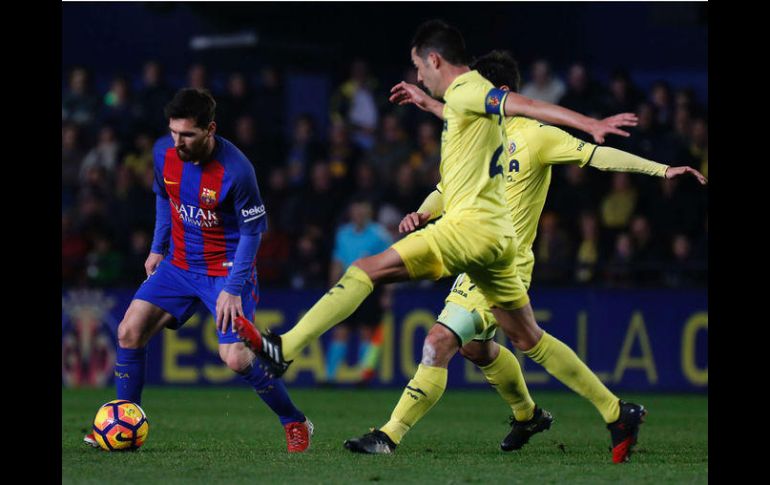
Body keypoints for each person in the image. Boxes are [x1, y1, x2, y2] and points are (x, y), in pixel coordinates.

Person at [233, 20, 639, 462]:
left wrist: (588, 123)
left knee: (372, 275)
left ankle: (294, 355)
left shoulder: (472, 90)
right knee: (523, 339)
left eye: (418, 67)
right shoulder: (475, 113)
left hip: (467, 232)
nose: (418, 75)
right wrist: (427, 103)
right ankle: (612, 411)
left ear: (434, 59)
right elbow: (465, 121)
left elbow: (520, 103)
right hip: (497, 243)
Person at [343, 49, 706, 459]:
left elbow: (595, 155)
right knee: (483, 347)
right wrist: (424, 212)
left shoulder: (536, 135)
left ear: (501, 92)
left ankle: (388, 435)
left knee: (439, 340)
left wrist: (662, 170)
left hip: (504, 262)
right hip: (473, 257)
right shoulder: (478, 134)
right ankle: (549, 414)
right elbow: (448, 189)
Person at [83, 88, 313, 452]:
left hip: (225, 270)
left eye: (188, 135)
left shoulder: (237, 171)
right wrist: (157, 248)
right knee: (128, 331)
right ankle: (123, 425)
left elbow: (253, 234)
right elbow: (164, 196)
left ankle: (295, 421)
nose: (178, 142)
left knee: (235, 358)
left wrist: (233, 288)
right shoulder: (163, 152)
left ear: (210, 129)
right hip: (178, 264)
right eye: (173, 132)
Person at [325, 199, 393, 385]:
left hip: (371, 287)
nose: (359, 214)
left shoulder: (380, 235)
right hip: (347, 287)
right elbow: (337, 261)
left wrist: (387, 293)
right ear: (351, 212)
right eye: (356, 210)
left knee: (366, 331)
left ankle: (363, 377)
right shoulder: (343, 234)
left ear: (369, 212)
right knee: (341, 330)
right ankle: (329, 378)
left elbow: (391, 264)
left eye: (362, 211)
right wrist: (332, 289)